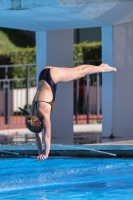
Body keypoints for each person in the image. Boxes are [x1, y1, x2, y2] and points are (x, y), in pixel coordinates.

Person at [21, 64, 117, 161]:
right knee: (76, 71)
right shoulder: (33, 114)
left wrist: (45, 154)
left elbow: (47, 136)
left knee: (81, 73)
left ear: (41, 123)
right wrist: (40, 152)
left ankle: (103, 68)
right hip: (44, 73)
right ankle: (101, 66)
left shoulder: (44, 114)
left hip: (52, 76)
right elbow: (37, 135)